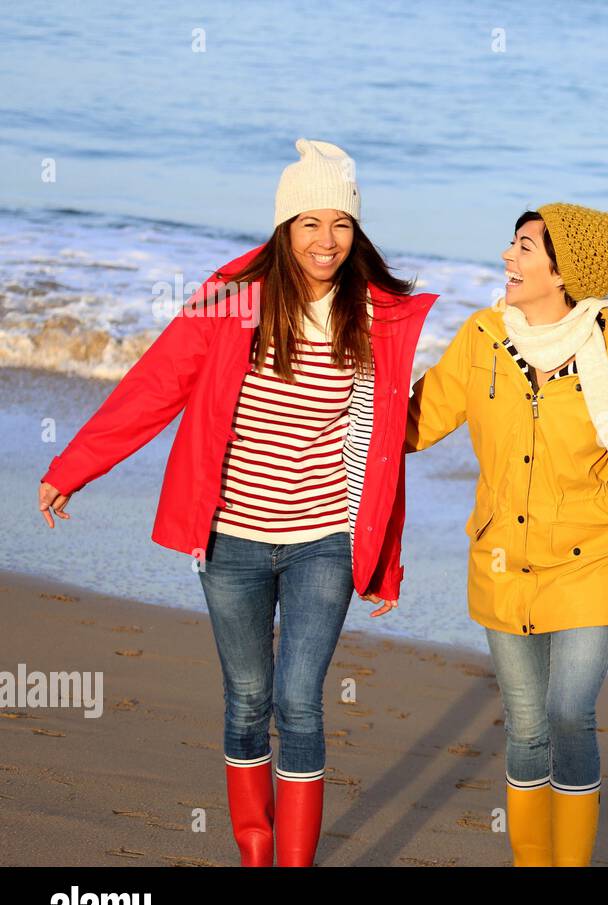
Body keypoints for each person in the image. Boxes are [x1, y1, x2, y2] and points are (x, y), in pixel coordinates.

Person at [37, 139, 438, 866]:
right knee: (249, 700)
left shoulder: (380, 317)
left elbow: (378, 450)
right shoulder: (232, 299)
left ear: (358, 231)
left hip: (325, 540)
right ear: (284, 227)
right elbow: (157, 385)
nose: (326, 240)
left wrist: (385, 557)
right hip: (231, 540)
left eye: (341, 224)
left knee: (301, 701)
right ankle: (255, 849)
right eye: (310, 223)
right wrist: (75, 466)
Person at [405, 202, 608, 865]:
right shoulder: (483, 335)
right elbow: (414, 424)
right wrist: (333, 390)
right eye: (512, 244)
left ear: (563, 271)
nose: (508, 258)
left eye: (523, 247)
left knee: (570, 710)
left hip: (591, 562)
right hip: (502, 560)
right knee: (526, 724)